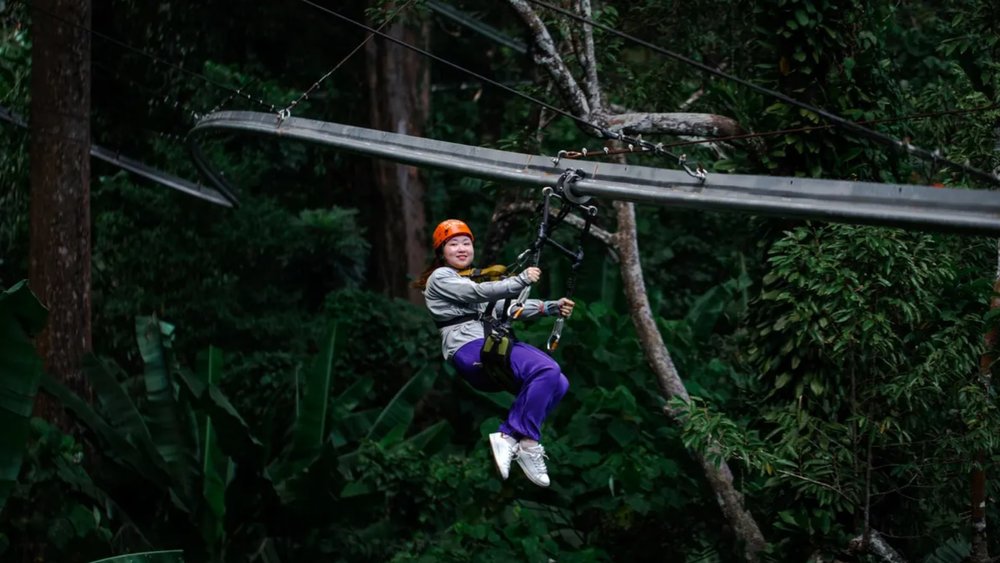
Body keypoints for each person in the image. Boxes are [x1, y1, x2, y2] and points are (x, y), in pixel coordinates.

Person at [414, 219, 574, 487]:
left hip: (488, 347)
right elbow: (476, 293)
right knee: (546, 369)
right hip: (469, 348)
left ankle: (519, 440)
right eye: (453, 244)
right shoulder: (440, 278)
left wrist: (549, 307)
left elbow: (507, 307)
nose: (462, 248)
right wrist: (519, 280)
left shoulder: (471, 278)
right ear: (441, 252)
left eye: (466, 243)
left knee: (558, 383)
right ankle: (519, 438)